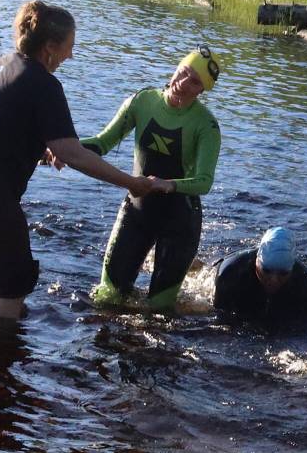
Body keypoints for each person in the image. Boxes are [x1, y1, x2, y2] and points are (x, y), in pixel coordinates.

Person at [0, 0, 162, 320]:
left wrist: (41, 149)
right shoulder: (43, 83)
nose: (70, 55)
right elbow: (72, 153)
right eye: (69, 47)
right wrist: (133, 183)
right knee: (12, 288)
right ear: (49, 47)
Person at [81, 47, 222, 311]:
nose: (182, 83)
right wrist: (61, 147)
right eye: (183, 72)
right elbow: (102, 143)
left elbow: (204, 181)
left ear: (201, 91)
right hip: (138, 211)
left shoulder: (206, 125)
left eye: (194, 81)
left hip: (180, 221)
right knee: (107, 297)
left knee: (158, 311)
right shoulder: (142, 102)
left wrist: (168, 185)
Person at [213, 227, 307, 323]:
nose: (274, 280)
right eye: (267, 271)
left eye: (283, 273)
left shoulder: (304, 283)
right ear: (257, 262)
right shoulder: (230, 274)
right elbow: (219, 318)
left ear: (291, 270)